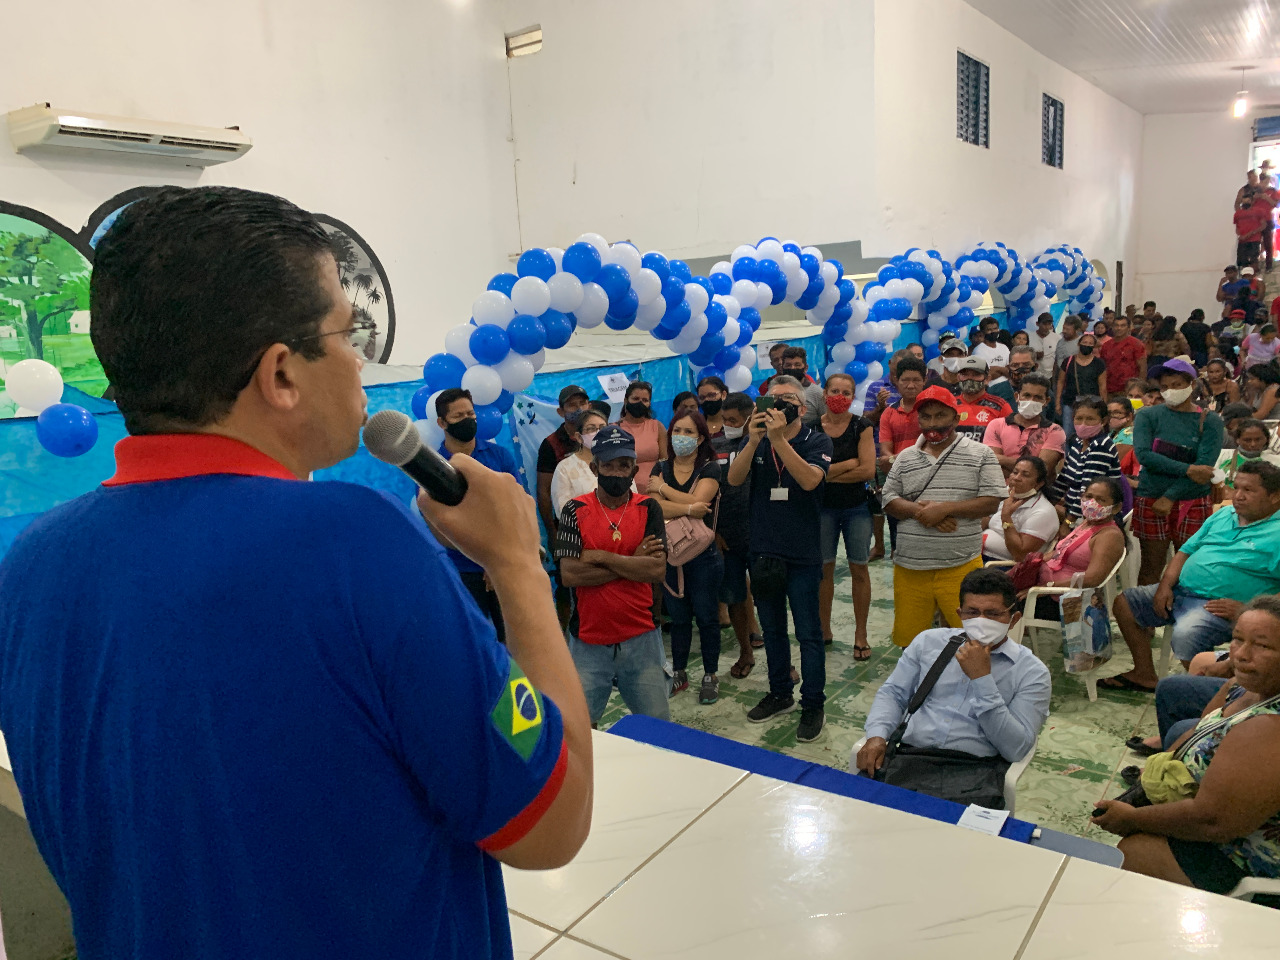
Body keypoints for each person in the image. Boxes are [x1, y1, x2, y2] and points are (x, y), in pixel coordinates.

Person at [0, 186, 594, 959]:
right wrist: (517, 565)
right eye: (348, 335)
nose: (358, 361)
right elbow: (551, 819)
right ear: (281, 374)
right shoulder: (356, 546)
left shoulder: (31, 567)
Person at [1091, 595, 1280, 894]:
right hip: (1215, 818)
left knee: (1132, 851)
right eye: (1237, 639)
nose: (1241, 655)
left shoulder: (1267, 730)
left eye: (1263, 646)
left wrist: (1134, 818)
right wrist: (1162, 768)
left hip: (1244, 856)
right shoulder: (1244, 686)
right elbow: (1200, 727)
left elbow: (1211, 823)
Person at [856, 569, 1051, 807]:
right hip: (909, 758)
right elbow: (894, 694)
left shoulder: (1031, 672)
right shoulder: (930, 642)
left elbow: (1016, 749)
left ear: (1014, 618)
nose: (982, 621)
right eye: (972, 612)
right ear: (959, 614)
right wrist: (877, 736)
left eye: (993, 614)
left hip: (975, 772)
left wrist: (982, 680)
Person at [1104, 460, 1280, 692]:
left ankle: (1220, 696)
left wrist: (1248, 610)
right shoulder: (1224, 514)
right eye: (1236, 487)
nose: (1237, 496)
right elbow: (1185, 552)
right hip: (1180, 592)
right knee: (1125, 604)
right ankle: (1144, 674)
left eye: (1248, 490)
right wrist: (1165, 586)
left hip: (1220, 607)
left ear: (1275, 496)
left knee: (1187, 635)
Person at [727, 375, 833, 742]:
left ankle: (813, 703)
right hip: (764, 550)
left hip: (802, 554)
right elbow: (734, 479)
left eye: (788, 399)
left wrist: (778, 440)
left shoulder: (817, 439)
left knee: (809, 633)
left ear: (802, 409)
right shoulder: (754, 441)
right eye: (774, 399)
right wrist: (755, 439)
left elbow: (809, 481)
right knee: (772, 630)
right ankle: (779, 692)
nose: (780, 405)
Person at [556, 425, 670, 723]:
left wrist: (602, 557)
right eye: (608, 465)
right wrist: (633, 563)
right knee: (581, 729)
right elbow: (570, 575)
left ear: (634, 468)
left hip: (642, 636)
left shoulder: (649, 508)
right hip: (588, 642)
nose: (617, 473)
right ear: (595, 468)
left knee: (657, 727)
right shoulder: (574, 510)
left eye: (624, 465)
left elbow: (656, 570)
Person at [881, 386, 1007, 649]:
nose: (932, 424)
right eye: (925, 417)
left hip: (960, 566)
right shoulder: (905, 457)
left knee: (971, 641)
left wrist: (946, 508)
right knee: (910, 642)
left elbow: (992, 501)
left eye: (940, 416)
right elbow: (889, 500)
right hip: (910, 567)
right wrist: (925, 513)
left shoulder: (981, 454)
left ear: (956, 418)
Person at [433, 387, 525, 644]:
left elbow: (517, 509)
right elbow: (442, 532)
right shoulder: (433, 468)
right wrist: (487, 560)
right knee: (475, 645)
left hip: (506, 567)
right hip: (462, 573)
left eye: (470, 413)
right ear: (441, 422)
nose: (467, 420)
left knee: (517, 645)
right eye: (458, 416)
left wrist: (496, 563)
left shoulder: (499, 456)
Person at [647, 412, 724, 704]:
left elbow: (702, 502)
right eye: (677, 430)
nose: (681, 436)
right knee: (678, 619)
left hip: (703, 557)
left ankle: (710, 675)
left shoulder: (710, 468)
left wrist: (664, 492)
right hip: (671, 554)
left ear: (701, 437)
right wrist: (689, 508)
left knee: (706, 617)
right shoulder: (660, 466)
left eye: (688, 431)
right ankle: (679, 672)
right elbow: (655, 510)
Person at [1131, 358, 1226, 586]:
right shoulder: (1148, 415)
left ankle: (1180, 618)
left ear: (1192, 385)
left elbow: (1205, 469)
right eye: (1164, 387)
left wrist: (1170, 496)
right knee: (1150, 569)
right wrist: (1188, 468)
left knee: (1189, 569)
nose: (1169, 391)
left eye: (1176, 385)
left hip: (1192, 500)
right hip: (1151, 498)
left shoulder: (1209, 420)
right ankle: (1147, 619)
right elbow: (1144, 455)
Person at [817, 373, 876, 659]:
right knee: (823, 571)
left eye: (846, 392)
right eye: (834, 390)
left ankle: (860, 634)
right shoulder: (812, 428)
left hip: (856, 508)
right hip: (822, 509)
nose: (840, 396)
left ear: (853, 397)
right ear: (825, 393)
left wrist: (826, 474)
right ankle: (823, 629)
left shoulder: (861, 426)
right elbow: (809, 473)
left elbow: (867, 471)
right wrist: (848, 464)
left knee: (859, 569)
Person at [711, 393, 762, 679]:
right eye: (725, 419)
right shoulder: (714, 444)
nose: (728, 425)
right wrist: (714, 530)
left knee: (768, 597)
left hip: (760, 534)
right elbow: (708, 488)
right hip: (726, 536)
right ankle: (745, 650)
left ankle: (784, 661)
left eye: (734, 420)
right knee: (733, 596)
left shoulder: (763, 443)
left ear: (748, 418)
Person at [1031, 478, 1128, 621]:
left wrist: (1047, 587)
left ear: (1116, 507)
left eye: (1101, 500)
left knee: (999, 599)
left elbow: (1093, 578)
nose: (1092, 503)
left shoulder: (1109, 536)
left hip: (1064, 599)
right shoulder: (1086, 524)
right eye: (1088, 497)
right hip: (1044, 588)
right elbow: (1059, 553)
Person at [1049, 396, 1123, 521]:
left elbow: (1087, 491)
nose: (1083, 424)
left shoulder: (1102, 446)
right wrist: (1048, 503)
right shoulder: (1077, 442)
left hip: (1095, 516)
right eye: (1079, 418)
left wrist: (1069, 522)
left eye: (1090, 419)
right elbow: (1063, 480)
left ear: (1103, 421)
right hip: (1073, 510)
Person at [983, 373, 1065, 478]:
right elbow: (991, 464)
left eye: (1038, 397)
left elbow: (1042, 469)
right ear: (1017, 397)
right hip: (1000, 489)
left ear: (1046, 401)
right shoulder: (996, 425)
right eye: (1027, 395)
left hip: (1035, 492)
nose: (1031, 401)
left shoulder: (1055, 431)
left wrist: (1003, 460)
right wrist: (1029, 467)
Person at [537, 384, 591, 540]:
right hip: (570, 525)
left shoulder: (599, 437)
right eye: (572, 405)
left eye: (582, 403)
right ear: (560, 412)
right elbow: (543, 492)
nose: (579, 409)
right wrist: (552, 533)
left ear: (589, 405)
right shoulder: (550, 444)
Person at [981, 456, 1059, 563]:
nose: (1016, 478)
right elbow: (985, 519)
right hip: (978, 553)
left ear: (1039, 484)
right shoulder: (1007, 493)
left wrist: (1006, 517)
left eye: (1025, 475)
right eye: (1015, 472)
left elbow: (1020, 555)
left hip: (1001, 565)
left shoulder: (1043, 512)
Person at [550, 409, 614, 515]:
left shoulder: (618, 462)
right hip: (581, 528)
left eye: (603, 428)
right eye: (591, 429)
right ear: (579, 437)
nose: (598, 433)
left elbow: (632, 497)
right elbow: (563, 511)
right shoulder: (564, 468)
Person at [1055, 331, 1107, 442]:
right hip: (1070, 402)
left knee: (1090, 432)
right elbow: (1060, 382)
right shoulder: (1068, 361)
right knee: (1068, 433)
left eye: (1090, 343)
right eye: (1084, 342)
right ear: (1079, 344)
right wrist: (1057, 403)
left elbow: (1102, 386)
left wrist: (1104, 405)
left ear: (1094, 346)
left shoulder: (1099, 363)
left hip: (1092, 403)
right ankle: (1068, 456)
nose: (1087, 345)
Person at [615, 380, 667, 487]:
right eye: (635, 399)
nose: (640, 403)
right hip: (625, 489)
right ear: (626, 401)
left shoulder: (657, 426)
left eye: (645, 400)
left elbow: (665, 461)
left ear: (649, 403)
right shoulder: (614, 429)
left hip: (656, 489)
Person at [954, 356, 1012, 441]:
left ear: (987, 379)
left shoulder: (1000, 406)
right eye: (965, 374)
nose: (970, 379)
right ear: (958, 378)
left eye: (976, 374)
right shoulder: (949, 404)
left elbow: (1009, 439)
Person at [1216, 419, 1276, 499]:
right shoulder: (1221, 456)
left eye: (1258, 439)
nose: (1253, 444)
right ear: (1237, 440)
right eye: (1247, 440)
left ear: (1266, 439)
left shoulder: (1275, 462)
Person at [778, 345, 827, 424]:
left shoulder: (817, 393)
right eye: (788, 365)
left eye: (797, 365)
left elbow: (826, 421)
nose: (792, 368)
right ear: (782, 367)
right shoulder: (774, 391)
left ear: (806, 368)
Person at [1098, 315, 1146, 393]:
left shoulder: (1136, 344)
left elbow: (1143, 368)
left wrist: (1140, 389)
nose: (1119, 328)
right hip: (1110, 388)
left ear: (1128, 327)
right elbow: (1103, 368)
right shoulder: (1106, 345)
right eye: (1116, 325)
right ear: (1112, 327)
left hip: (1130, 389)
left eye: (1122, 325)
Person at [1108, 396, 1140, 488]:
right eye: (1109, 413)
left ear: (1129, 416)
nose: (1112, 416)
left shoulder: (1129, 433)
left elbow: (1113, 462)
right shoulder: (1113, 432)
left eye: (1117, 412)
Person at [974, 316, 1010, 380]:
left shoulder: (1004, 348)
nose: (993, 331)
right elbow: (985, 375)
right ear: (983, 332)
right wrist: (1002, 370)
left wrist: (995, 369)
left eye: (995, 328)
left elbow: (1010, 369)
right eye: (989, 330)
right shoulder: (978, 351)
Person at [1027, 312, 1060, 380]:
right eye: (1044, 324)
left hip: (1050, 376)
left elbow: (1059, 357)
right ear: (1037, 324)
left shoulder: (1057, 338)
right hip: (1033, 376)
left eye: (1049, 324)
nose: (1047, 327)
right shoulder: (1029, 337)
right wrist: (1034, 355)